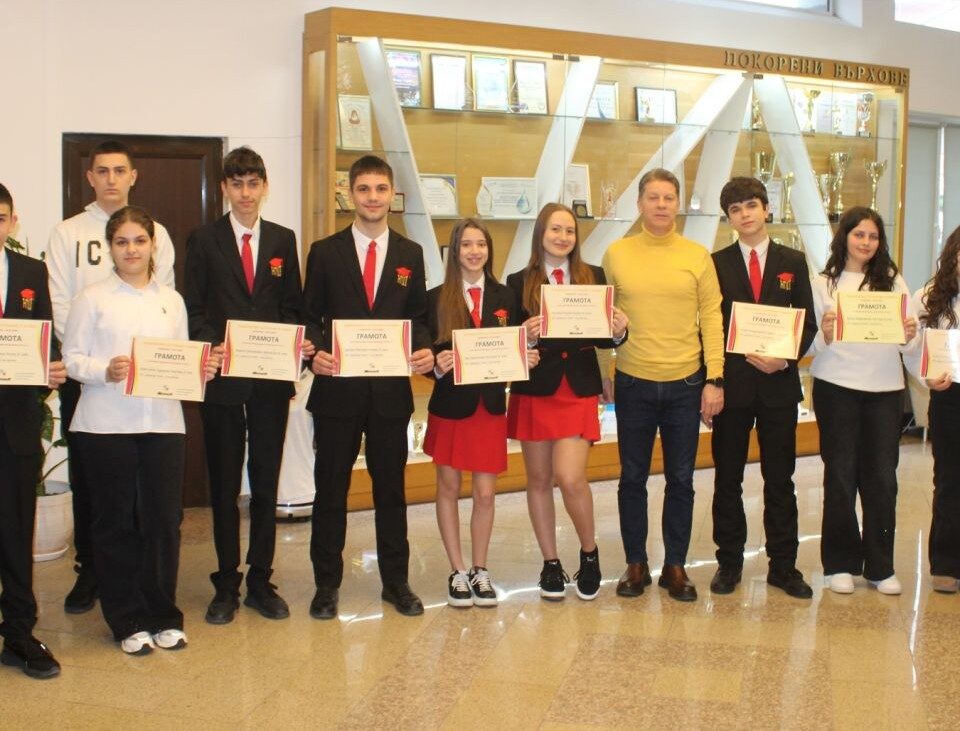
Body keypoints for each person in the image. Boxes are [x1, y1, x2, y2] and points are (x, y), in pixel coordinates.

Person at [63, 206, 219, 654]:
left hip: (163, 425)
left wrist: (201, 369)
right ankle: (126, 618)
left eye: (139, 241)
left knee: (163, 523)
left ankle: (163, 615)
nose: (131, 250)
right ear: (110, 248)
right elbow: (72, 358)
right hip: (105, 425)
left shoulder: (171, 300)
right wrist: (104, 370)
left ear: (153, 246)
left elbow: (181, 358)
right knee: (115, 525)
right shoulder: (91, 298)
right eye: (121, 242)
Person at [47, 139, 176, 615]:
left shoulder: (158, 231)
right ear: (91, 177)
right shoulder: (67, 233)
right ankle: (91, 572)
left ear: (133, 176)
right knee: (94, 483)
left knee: (147, 492)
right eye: (102, 171)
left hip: (149, 384)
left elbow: (165, 303)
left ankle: (140, 578)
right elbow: (61, 301)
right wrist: (96, 359)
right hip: (89, 376)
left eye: (120, 170)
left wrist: (156, 364)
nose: (111, 179)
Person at [303, 155, 434, 619]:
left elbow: (418, 317)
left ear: (392, 195)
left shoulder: (410, 254)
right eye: (364, 189)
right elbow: (309, 316)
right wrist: (315, 352)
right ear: (350, 194)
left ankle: (396, 582)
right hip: (337, 392)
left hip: (389, 396)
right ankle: (326, 585)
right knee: (330, 490)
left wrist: (424, 349)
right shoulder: (325, 251)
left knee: (391, 493)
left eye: (380, 189)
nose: (372, 197)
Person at [184, 147, 308, 624]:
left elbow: (292, 308)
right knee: (223, 484)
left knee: (265, 481)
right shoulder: (204, 240)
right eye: (236, 184)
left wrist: (294, 346)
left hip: (270, 384)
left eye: (253, 183)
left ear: (264, 187)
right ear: (224, 189)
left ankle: (260, 579)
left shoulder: (282, 239)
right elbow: (194, 307)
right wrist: (210, 346)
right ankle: (225, 582)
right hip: (223, 383)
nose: (245, 193)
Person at [602, 168, 724, 602]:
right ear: (639, 204)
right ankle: (635, 564)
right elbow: (602, 316)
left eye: (668, 197)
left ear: (678, 204)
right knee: (632, 478)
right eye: (652, 197)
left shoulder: (697, 256)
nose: (660, 205)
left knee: (681, 479)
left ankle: (675, 565)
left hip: (685, 384)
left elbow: (713, 318)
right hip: (633, 381)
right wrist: (605, 370)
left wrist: (715, 378)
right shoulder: (617, 253)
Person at [506, 202, 628, 601]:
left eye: (569, 231)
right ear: (540, 234)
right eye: (555, 230)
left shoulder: (593, 276)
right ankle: (550, 562)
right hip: (535, 390)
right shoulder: (517, 281)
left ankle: (589, 554)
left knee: (571, 477)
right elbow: (508, 340)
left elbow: (605, 337)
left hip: (576, 388)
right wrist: (523, 336)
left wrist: (619, 331)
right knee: (539, 480)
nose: (562, 237)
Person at [709, 177, 817, 599]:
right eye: (735, 210)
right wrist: (712, 382)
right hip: (732, 388)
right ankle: (729, 563)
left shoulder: (794, 260)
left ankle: (783, 566)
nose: (745, 215)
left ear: (767, 208)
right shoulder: (716, 263)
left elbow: (807, 321)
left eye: (751, 205)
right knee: (727, 479)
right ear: (729, 219)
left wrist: (784, 359)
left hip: (778, 386)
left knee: (780, 480)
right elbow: (710, 327)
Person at [425, 219, 538, 607]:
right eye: (466, 245)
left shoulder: (507, 296)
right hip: (450, 408)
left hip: (488, 408)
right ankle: (457, 571)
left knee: (486, 494)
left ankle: (480, 568)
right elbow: (425, 352)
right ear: (454, 251)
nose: (474, 252)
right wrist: (435, 364)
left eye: (481, 245)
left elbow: (515, 346)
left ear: (489, 250)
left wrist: (527, 354)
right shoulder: (435, 298)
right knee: (448, 488)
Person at [810, 206, 916, 596]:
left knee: (882, 479)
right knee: (840, 476)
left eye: (873, 236)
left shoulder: (893, 280)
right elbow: (809, 344)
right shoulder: (823, 282)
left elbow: (909, 342)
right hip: (835, 387)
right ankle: (839, 564)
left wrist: (909, 334)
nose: (866, 242)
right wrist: (825, 334)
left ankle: (880, 567)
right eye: (859, 235)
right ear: (845, 237)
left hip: (885, 391)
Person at [0, 183, 66, 678]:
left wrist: (50, 370)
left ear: (12, 221)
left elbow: (45, 340)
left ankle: (20, 633)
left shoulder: (29, 272)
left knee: (15, 531)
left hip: (16, 425)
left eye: (0, 218)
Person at [910, 225, 960, 594]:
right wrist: (925, 375)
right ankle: (946, 563)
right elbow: (911, 344)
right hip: (950, 395)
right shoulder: (930, 295)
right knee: (949, 479)